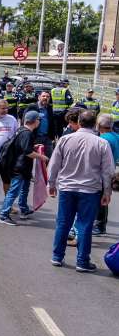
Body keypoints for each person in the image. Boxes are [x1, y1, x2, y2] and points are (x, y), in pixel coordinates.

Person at [49, 110, 113, 272]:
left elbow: (54, 164)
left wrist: (51, 184)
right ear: (95, 124)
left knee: (63, 223)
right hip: (90, 190)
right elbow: (108, 171)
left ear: (79, 122)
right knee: (85, 225)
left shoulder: (65, 139)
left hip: (67, 188)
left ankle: (57, 256)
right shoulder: (101, 143)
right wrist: (107, 192)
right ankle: (82, 261)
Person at [0, 111, 47, 225]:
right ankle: (3, 216)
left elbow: (22, 146)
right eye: (39, 119)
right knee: (13, 192)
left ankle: (24, 210)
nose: (39, 122)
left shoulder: (21, 130)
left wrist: (34, 146)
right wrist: (41, 157)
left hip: (22, 167)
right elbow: (27, 152)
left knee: (24, 189)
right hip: (20, 168)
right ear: (34, 121)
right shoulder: (27, 134)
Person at [95, 114, 119, 235]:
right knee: (103, 198)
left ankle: (99, 226)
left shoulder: (103, 139)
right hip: (111, 169)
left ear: (99, 125)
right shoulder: (116, 136)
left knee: (100, 199)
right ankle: (100, 225)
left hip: (101, 172)